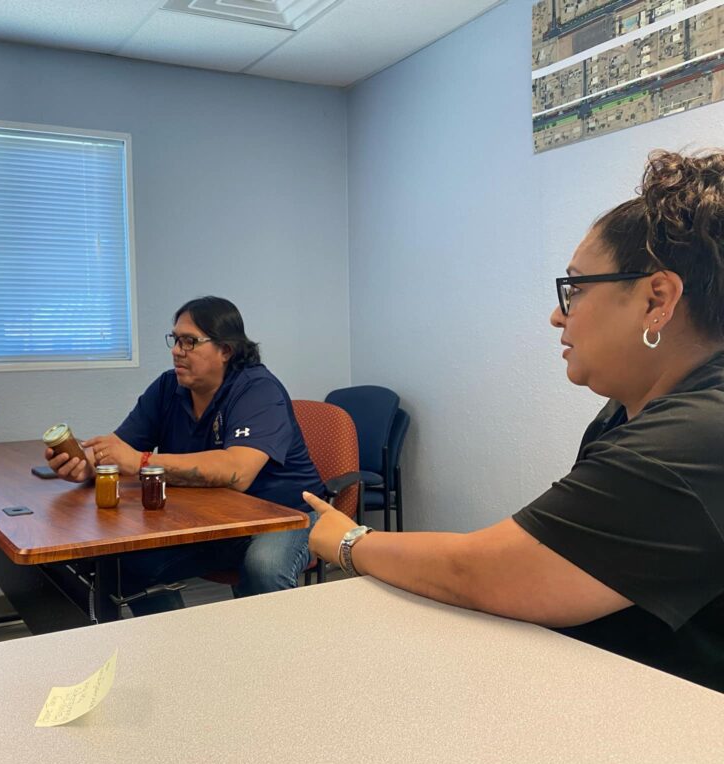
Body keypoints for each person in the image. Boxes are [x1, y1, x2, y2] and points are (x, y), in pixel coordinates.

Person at [307, 149, 724, 692]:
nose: (558, 314)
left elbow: (488, 570)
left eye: (575, 288)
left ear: (657, 299)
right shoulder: (623, 414)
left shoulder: (699, 433)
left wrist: (350, 541)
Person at [48, 296, 325, 615]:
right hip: (217, 521)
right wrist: (86, 466)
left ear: (226, 350)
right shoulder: (168, 388)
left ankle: (274, 660)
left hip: (286, 515)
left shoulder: (258, 389)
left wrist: (140, 462)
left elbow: (239, 471)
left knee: (264, 567)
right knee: (129, 561)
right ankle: (172, 648)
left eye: (190, 341)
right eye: (176, 339)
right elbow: (117, 449)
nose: (177, 350)